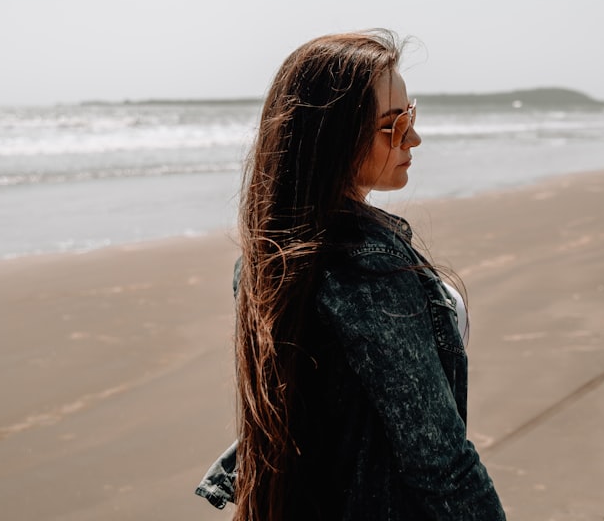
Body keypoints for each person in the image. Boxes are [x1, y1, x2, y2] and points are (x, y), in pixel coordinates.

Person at [196, 30, 506, 520]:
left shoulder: (266, 260)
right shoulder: (367, 268)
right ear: (332, 136)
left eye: (411, 115)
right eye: (392, 125)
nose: (413, 137)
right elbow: (438, 462)